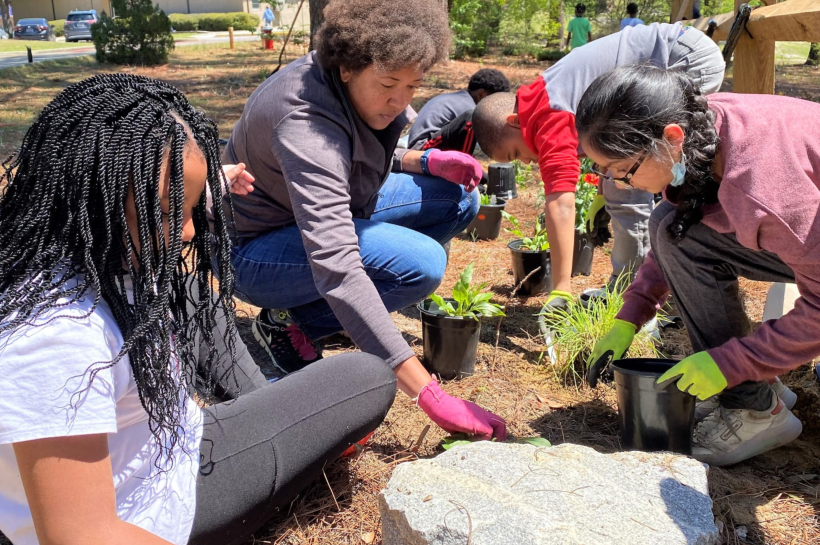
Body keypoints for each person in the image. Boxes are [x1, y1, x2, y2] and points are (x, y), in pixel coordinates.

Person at [0, 73, 402, 545]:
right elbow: (82, 536)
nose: (189, 231)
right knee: (365, 378)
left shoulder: (62, 251)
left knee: (196, 294)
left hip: (158, 450)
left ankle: (259, 404)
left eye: (192, 206)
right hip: (156, 504)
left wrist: (202, 187)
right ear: (91, 198)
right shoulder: (55, 337)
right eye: (169, 211)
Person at [220, 0, 506, 441]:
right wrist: (430, 395)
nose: (400, 101)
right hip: (255, 250)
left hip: (316, 211)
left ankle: (317, 315)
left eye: (413, 86)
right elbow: (337, 264)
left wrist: (424, 161)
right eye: (389, 84)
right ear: (347, 67)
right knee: (421, 264)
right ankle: (290, 324)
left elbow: (357, 151)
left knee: (458, 199)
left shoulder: (360, 84)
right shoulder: (303, 120)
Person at [580, 64, 814, 467]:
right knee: (669, 225)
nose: (617, 183)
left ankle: (758, 414)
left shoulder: (764, 192)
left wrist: (730, 364)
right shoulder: (700, 129)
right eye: (604, 171)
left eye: (623, 170)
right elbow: (680, 229)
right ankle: (758, 391)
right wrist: (629, 317)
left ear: (671, 138)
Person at [471, 23, 724, 314]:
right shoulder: (541, 100)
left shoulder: (548, 114)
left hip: (681, 58)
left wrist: (561, 288)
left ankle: (636, 299)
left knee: (629, 185)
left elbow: (561, 204)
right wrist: (602, 194)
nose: (526, 162)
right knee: (622, 179)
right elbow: (606, 145)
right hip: (681, 49)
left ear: (515, 121)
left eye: (516, 153)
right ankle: (637, 289)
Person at [408, 68, 511, 153]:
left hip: (421, 146)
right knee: (472, 118)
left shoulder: (459, 99)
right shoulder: (469, 108)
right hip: (422, 149)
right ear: (480, 94)